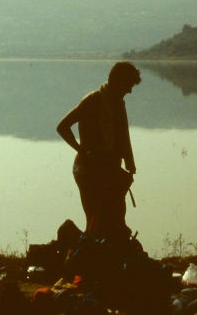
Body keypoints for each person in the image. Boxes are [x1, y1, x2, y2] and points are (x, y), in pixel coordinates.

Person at [57, 62, 141, 240]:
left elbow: (123, 136)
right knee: (95, 218)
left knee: (116, 218)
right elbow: (63, 127)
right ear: (116, 81)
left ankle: (111, 260)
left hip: (109, 170)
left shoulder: (118, 104)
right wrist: (81, 150)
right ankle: (90, 259)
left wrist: (130, 165)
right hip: (88, 171)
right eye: (128, 85)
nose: (130, 91)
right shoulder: (92, 100)